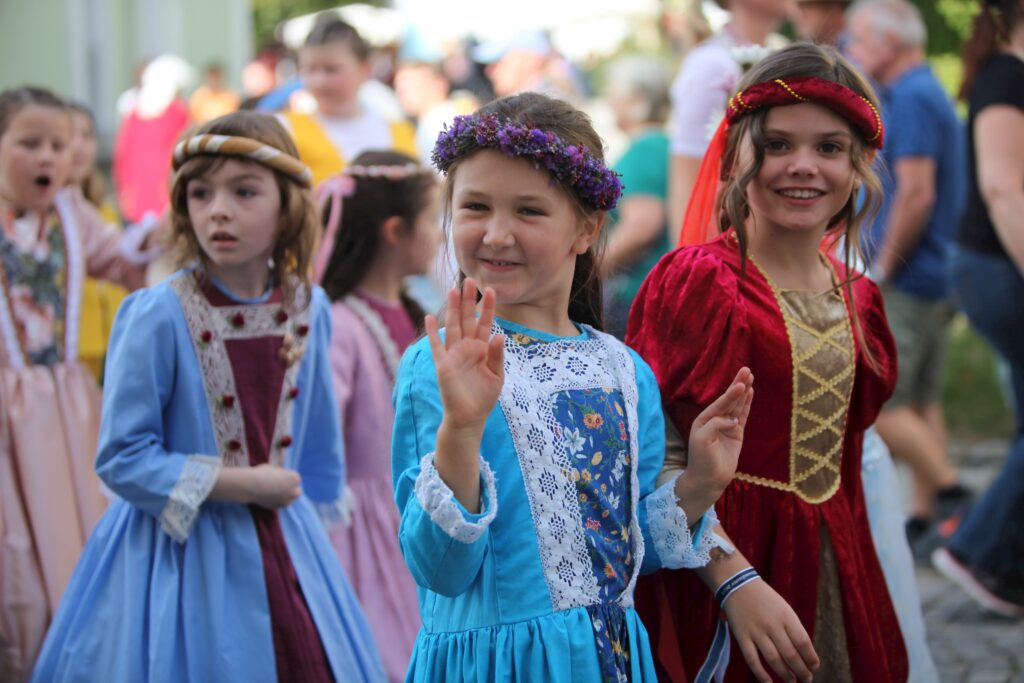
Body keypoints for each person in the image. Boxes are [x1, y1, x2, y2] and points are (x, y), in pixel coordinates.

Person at [393, 92, 759, 682]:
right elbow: (440, 570)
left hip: (607, 659)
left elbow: (641, 544)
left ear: (586, 229)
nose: (497, 234)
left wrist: (698, 482)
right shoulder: (435, 365)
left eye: (529, 211)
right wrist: (460, 429)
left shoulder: (623, 368)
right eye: (476, 206)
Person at [30, 111, 386, 682]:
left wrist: (312, 529)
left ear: (287, 204)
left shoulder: (308, 308)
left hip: (287, 549)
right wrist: (243, 484)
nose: (218, 209)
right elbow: (122, 457)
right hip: (175, 556)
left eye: (244, 191)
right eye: (201, 193)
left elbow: (316, 451)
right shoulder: (156, 314)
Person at [628, 43, 909, 682]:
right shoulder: (701, 281)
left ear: (859, 164)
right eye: (778, 144)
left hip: (841, 561)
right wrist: (733, 581)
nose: (802, 166)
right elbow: (654, 453)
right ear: (739, 156)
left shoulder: (859, 297)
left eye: (829, 148)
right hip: (726, 567)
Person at [0, 87, 159, 681]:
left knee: (77, 540)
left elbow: (120, 260)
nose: (48, 157)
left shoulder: (72, 214)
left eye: (59, 145)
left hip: (67, 411)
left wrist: (154, 233)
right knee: (16, 560)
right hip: (8, 415)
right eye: (29, 143)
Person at [846, 0, 972, 560]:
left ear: (888, 40)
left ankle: (952, 493)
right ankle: (927, 517)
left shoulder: (915, 96)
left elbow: (916, 192)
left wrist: (881, 270)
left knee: (878, 400)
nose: (851, 50)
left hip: (913, 275)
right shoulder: (922, 91)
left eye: (858, 39)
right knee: (919, 402)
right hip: (936, 274)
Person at [317, 151, 439, 681]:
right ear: (396, 230)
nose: (441, 235)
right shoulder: (340, 325)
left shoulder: (419, 311)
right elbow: (316, 435)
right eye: (434, 220)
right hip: (362, 531)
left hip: (421, 515)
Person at [932, 0, 1024, 619]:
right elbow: (1002, 185)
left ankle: (996, 557)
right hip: (997, 266)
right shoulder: (1006, 75)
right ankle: (977, 549)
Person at [666, 0, 790, 245]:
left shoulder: (783, 53)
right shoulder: (711, 64)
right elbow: (688, 180)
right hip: (728, 243)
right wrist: (691, 262)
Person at [282, 16, 416, 186]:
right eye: (310, 70)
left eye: (331, 69)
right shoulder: (288, 131)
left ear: (364, 69)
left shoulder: (400, 132)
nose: (319, 81)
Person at [599, 55, 673, 339]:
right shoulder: (663, 143)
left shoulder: (646, 147)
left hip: (641, 293)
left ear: (636, 100)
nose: (611, 104)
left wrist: (587, 275)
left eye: (615, 95)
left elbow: (642, 225)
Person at [67, 103, 130, 380]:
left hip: (108, 344)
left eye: (87, 135)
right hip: (71, 345)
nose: (79, 146)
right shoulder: (51, 216)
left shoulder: (103, 209)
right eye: (69, 137)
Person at [112, 54, 193, 223]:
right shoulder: (177, 113)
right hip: (160, 192)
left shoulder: (134, 114)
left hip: (146, 192)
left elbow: (121, 154)